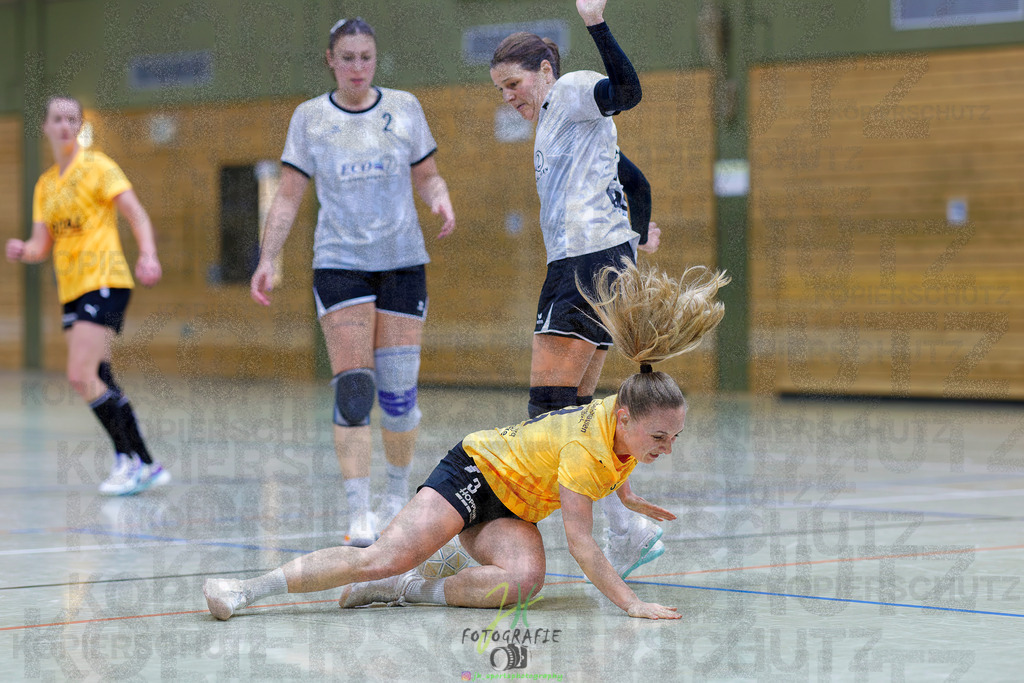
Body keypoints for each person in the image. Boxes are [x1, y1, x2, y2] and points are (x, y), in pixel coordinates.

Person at [203, 260, 729, 621]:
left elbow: (619, 464)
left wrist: (631, 496)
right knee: (380, 556)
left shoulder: (624, 421)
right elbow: (582, 544)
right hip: (475, 473)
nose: (666, 446)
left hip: (512, 511)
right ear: (629, 416)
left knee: (521, 583)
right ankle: (245, 590)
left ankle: (409, 589)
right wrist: (630, 603)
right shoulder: (584, 446)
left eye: (674, 437)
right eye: (660, 436)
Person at [249, 17, 456, 547]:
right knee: (353, 390)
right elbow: (290, 194)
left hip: (402, 259)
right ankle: (359, 510)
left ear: (375, 59)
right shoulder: (310, 118)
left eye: (366, 57)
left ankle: (396, 495)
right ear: (330, 60)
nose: (358, 67)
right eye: (348, 58)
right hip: (340, 260)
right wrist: (268, 256)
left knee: (399, 396)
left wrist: (439, 197)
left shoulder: (405, 107)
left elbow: (427, 173)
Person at [489, 0, 664, 578]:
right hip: (599, 262)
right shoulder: (556, 125)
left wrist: (596, 24)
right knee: (575, 410)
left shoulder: (568, 94)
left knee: (547, 411)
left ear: (544, 69)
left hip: (585, 264)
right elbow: (631, 175)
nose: (509, 97)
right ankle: (624, 527)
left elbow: (629, 90)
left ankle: (601, 529)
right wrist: (636, 236)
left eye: (513, 83)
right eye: (500, 89)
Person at [5, 95, 168, 496]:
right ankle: (144, 461)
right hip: (72, 288)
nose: (64, 125)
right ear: (45, 126)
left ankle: (130, 460)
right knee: (97, 377)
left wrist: (147, 254)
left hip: (105, 279)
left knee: (81, 374)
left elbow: (135, 212)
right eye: (56, 118)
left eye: (71, 119)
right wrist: (24, 250)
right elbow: (42, 243)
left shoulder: (98, 167)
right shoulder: (45, 185)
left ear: (79, 126)